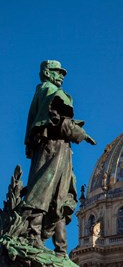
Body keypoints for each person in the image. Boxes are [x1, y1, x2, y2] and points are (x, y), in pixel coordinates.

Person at [22, 60, 96, 255]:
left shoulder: (46, 91)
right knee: (44, 192)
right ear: (47, 72)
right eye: (57, 71)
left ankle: (61, 249)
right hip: (52, 149)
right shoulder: (48, 90)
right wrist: (80, 133)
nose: (61, 75)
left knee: (60, 197)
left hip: (58, 149)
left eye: (62, 72)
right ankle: (33, 235)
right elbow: (57, 121)